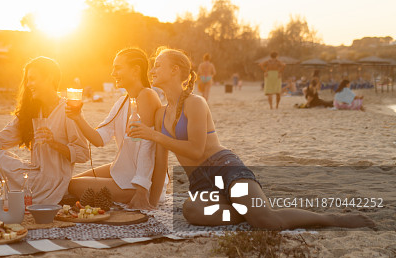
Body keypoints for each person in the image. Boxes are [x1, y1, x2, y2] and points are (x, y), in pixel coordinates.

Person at [128, 48, 372, 229]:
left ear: (175, 70)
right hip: (200, 184)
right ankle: (247, 211)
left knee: (267, 222)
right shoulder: (160, 114)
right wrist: (150, 204)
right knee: (192, 210)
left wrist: (154, 135)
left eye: (158, 64)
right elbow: (161, 165)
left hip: (224, 168)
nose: (152, 70)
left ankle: (332, 219)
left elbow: (195, 150)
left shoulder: (195, 103)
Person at [0, 57, 88, 205]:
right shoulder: (33, 111)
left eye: (32, 79)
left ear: (50, 78)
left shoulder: (68, 110)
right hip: (33, 174)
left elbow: (83, 154)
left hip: (52, 184)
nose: (29, 84)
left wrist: (54, 143)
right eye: (27, 80)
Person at [65, 48, 166, 209]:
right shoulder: (122, 102)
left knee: (72, 186)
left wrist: (141, 191)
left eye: (118, 68)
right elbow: (99, 139)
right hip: (124, 169)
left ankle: (135, 194)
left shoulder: (147, 95)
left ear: (135, 70)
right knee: (68, 183)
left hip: (141, 182)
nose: (113, 73)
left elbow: (147, 148)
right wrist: (78, 117)